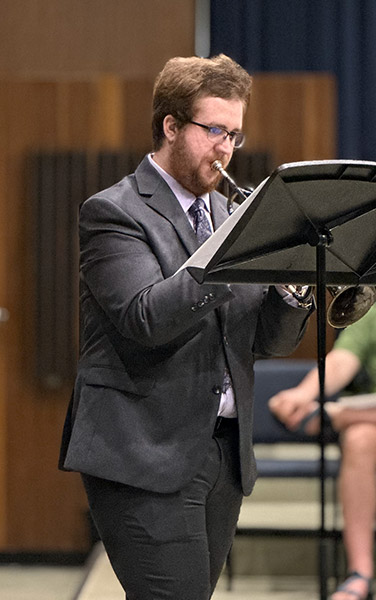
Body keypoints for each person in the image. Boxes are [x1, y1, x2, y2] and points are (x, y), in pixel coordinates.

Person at [59, 54, 314, 600]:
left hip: (220, 452)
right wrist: (236, 250)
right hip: (142, 450)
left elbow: (268, 342)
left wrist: (295, 290)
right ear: (171, 126)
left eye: (235, 135)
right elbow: (144, 317)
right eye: (214, 130)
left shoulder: (229, 217)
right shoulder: (114, 212)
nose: (225, 148)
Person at [269, 286, 376, 600]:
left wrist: (335, 413)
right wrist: (302, 395)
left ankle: (336, 416)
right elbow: (342, 360)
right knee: (359, 439)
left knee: (352, 422)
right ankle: (360, 575)